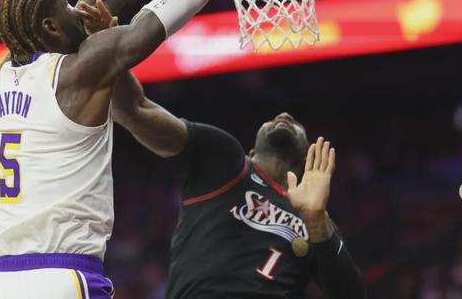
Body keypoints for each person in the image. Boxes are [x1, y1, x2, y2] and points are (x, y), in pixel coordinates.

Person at [0, 0, 252, 299]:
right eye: (65, 7)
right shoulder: (78, 71)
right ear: (50, 28)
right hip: (60, 277)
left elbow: (93, 2)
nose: (78, 9)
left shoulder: (8, 72)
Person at [112, 72, 366, 298]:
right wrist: (110, 54)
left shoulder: (317, 221)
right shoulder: (226, 162)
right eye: (272, 118)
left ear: (303, 162)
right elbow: (135, 109)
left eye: (298, 125)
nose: (284, 116)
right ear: (251, 152)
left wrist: (318, 222)